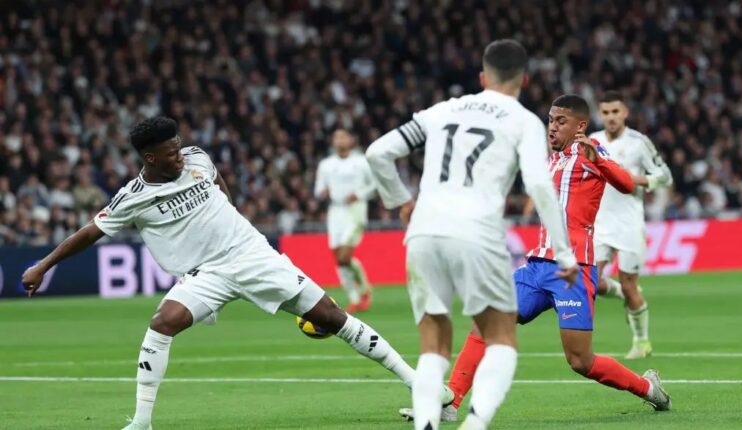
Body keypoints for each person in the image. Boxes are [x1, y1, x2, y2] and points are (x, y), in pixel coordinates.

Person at [21, 117, 450, 430]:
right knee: (163, 322)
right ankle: (142, 421)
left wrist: (227, 211)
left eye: (179, 147)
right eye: (170, 153)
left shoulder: (196, 158)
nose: (180, 155)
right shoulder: (132, 197)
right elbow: (90, 232)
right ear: (150, 158)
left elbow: (218, 182)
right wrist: (43, 265)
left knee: (332, 318)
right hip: (208, 273)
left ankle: (421, 386)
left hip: (252, 255)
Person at [399, 94, 672, 423]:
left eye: (561, 121)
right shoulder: (551, 160)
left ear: (580, 126)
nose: (552, 127)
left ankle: (647, 388)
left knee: (580, 360)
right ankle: (451, 402)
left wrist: (599, 160)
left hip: (573, 270)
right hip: (537, 267)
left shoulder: (591, 152)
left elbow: (627, 183)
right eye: (550, 120)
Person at [367, 39, 578, 430]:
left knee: (433, 345)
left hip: (423, 232)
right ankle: (475, 424)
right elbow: (540, 186)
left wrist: (401, 201)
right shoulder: (523, 121)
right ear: (524, 80)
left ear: (482, 77)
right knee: (500, 338)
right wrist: (565, 254)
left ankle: (427, 425)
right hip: (477, 232)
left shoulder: (442, 110)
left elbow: (378, 152)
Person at [590, 90, 673, 359]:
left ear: (625, 112)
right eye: (606, 112)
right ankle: (619, 293)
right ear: (600, 114)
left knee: (630, 285)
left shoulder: (639, 142)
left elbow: (665, 176)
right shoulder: (592, 141)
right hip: (599, 224)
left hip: (628, 224)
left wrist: (633, 179)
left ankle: (641, 342)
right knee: (589, 281)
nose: (611, 117)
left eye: (615, 111)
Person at [314, 129, 376, 313]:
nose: (340, 140)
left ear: (351, 140)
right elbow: (318, 190)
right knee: (339, 259)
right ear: (333, 142)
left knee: (344, 257)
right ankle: (354, 298)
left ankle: (364, 287)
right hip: (335, 212)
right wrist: (322, 192)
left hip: (356, 210)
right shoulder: (326, 165)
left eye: (343, 137)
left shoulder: (361, 161)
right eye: (337, 137)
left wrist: (359, 194)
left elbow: (375, 184)